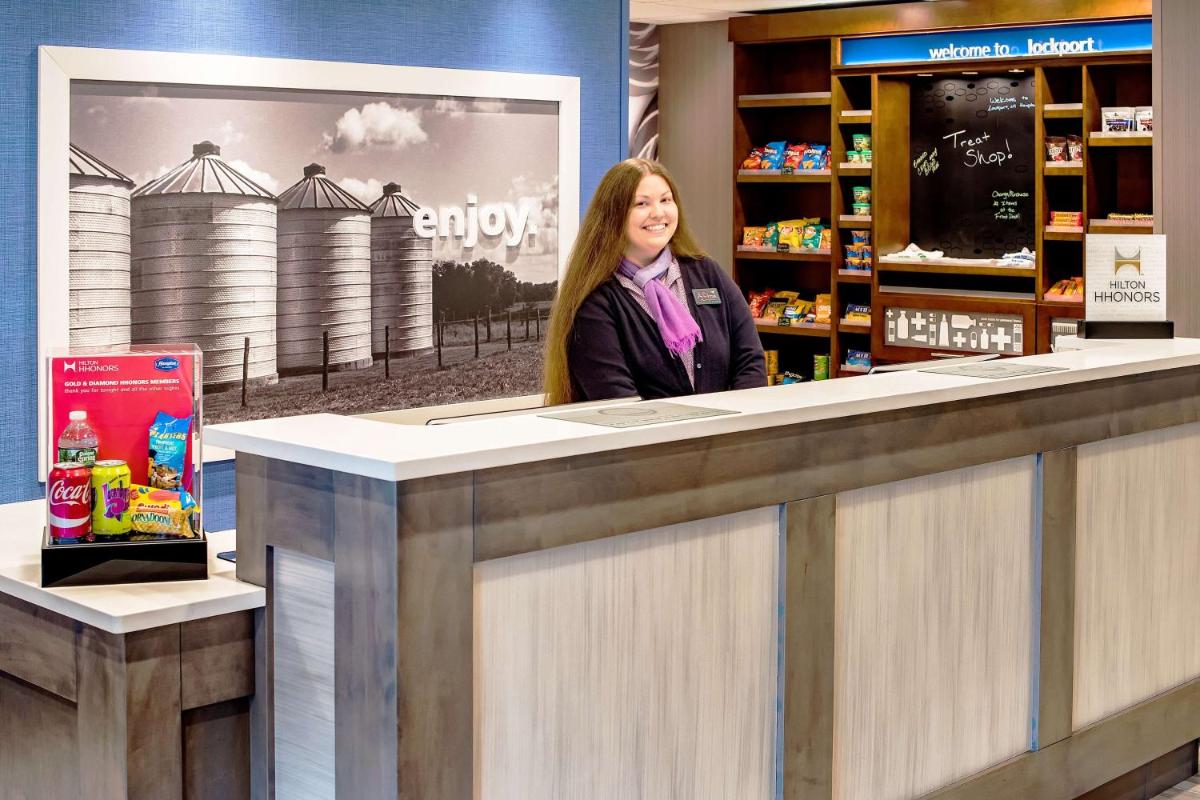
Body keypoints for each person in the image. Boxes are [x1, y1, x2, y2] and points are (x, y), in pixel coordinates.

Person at [543, 158, 766, 405]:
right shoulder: (594, 303)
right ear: (613, 215)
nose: (658, 213)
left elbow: (750, 362)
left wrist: (738, 419)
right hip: (644, 432)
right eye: (642, 203)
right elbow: (617, 402)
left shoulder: (707, 273)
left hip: (727, 429)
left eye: (665, 200)